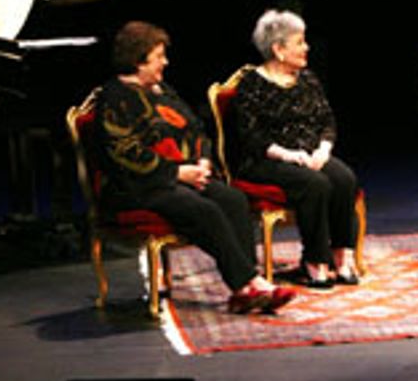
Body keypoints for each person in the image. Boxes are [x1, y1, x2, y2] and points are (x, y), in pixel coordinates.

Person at [95, 21, 295, 313]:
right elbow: (123, 152)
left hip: (184, 176)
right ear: (138, 61)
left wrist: (202, 161)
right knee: (204, 210)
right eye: (159, 56)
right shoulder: (114, 98)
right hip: (138, 185)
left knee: (233, 198)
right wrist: (177, 173)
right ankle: (248, 284)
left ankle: (248, 286)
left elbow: (195, 129)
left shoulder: (163, 90)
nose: (166, 62)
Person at [233, 10, 361, 288]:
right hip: (267, 159)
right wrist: (289, 155)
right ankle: (315, 260)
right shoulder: (252, 85)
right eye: (299, 42)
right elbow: (252, 137)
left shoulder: (307, 79)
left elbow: (327, 120)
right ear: (278, 49)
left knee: (343, 178)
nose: (307, 47)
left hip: (309, 153)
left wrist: (323, 150)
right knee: (315, 184)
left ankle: (342, 254)